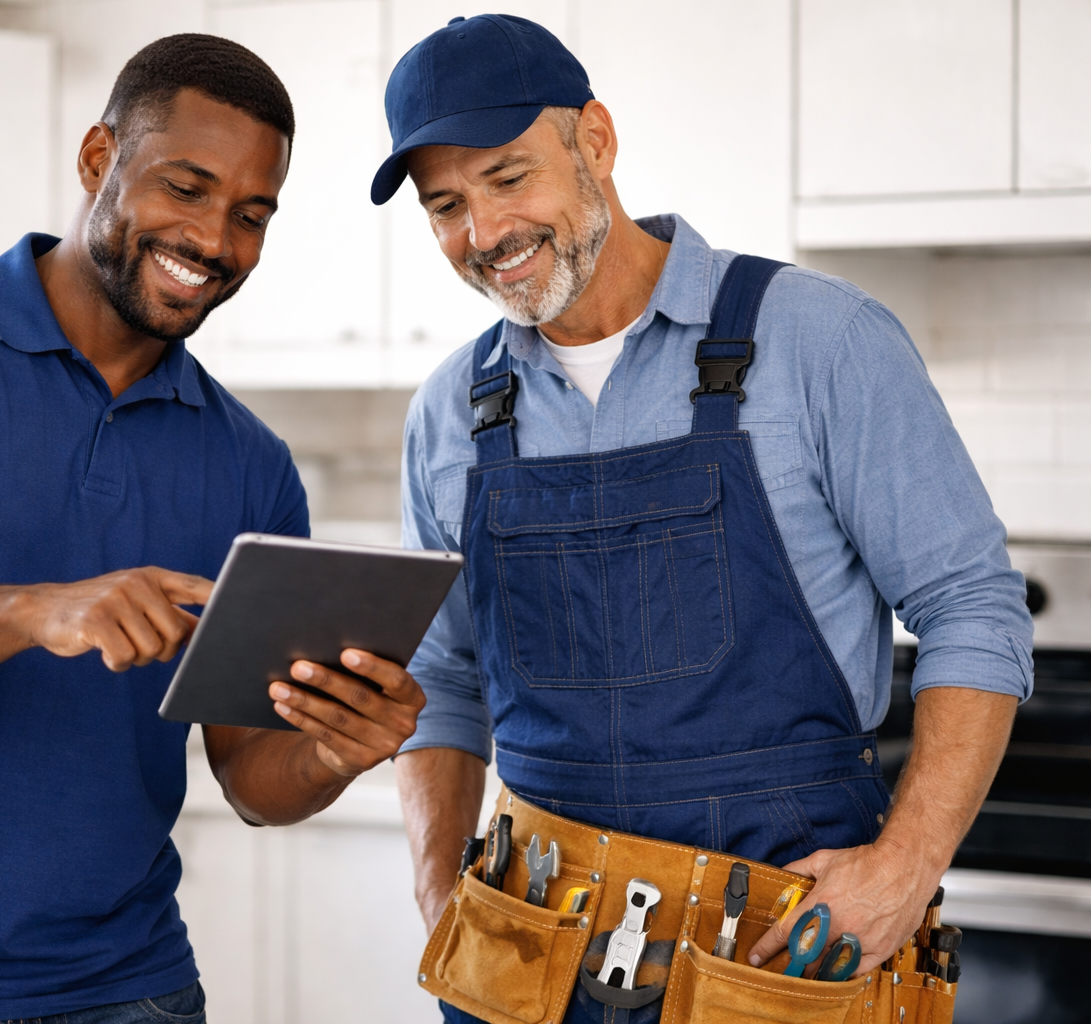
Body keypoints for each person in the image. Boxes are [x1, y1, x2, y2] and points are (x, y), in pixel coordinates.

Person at [0, 34, 425, 1023]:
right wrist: (35, 610)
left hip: (122, 990)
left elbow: (255, 777)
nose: (216, 240)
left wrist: (341, 745)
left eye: (251, 214)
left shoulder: (252, 467)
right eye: (186, 188)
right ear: (99, 160)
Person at [374, 15, 1031, 1023]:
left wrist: (906, 862)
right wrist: (437, 897)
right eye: (446, 206)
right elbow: (442, 678)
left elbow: (973, 605)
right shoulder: (452, 412)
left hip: (780, 953)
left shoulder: (817, 340)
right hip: (530, 962)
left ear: (595, 137)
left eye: (509, 178)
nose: (484, 233)